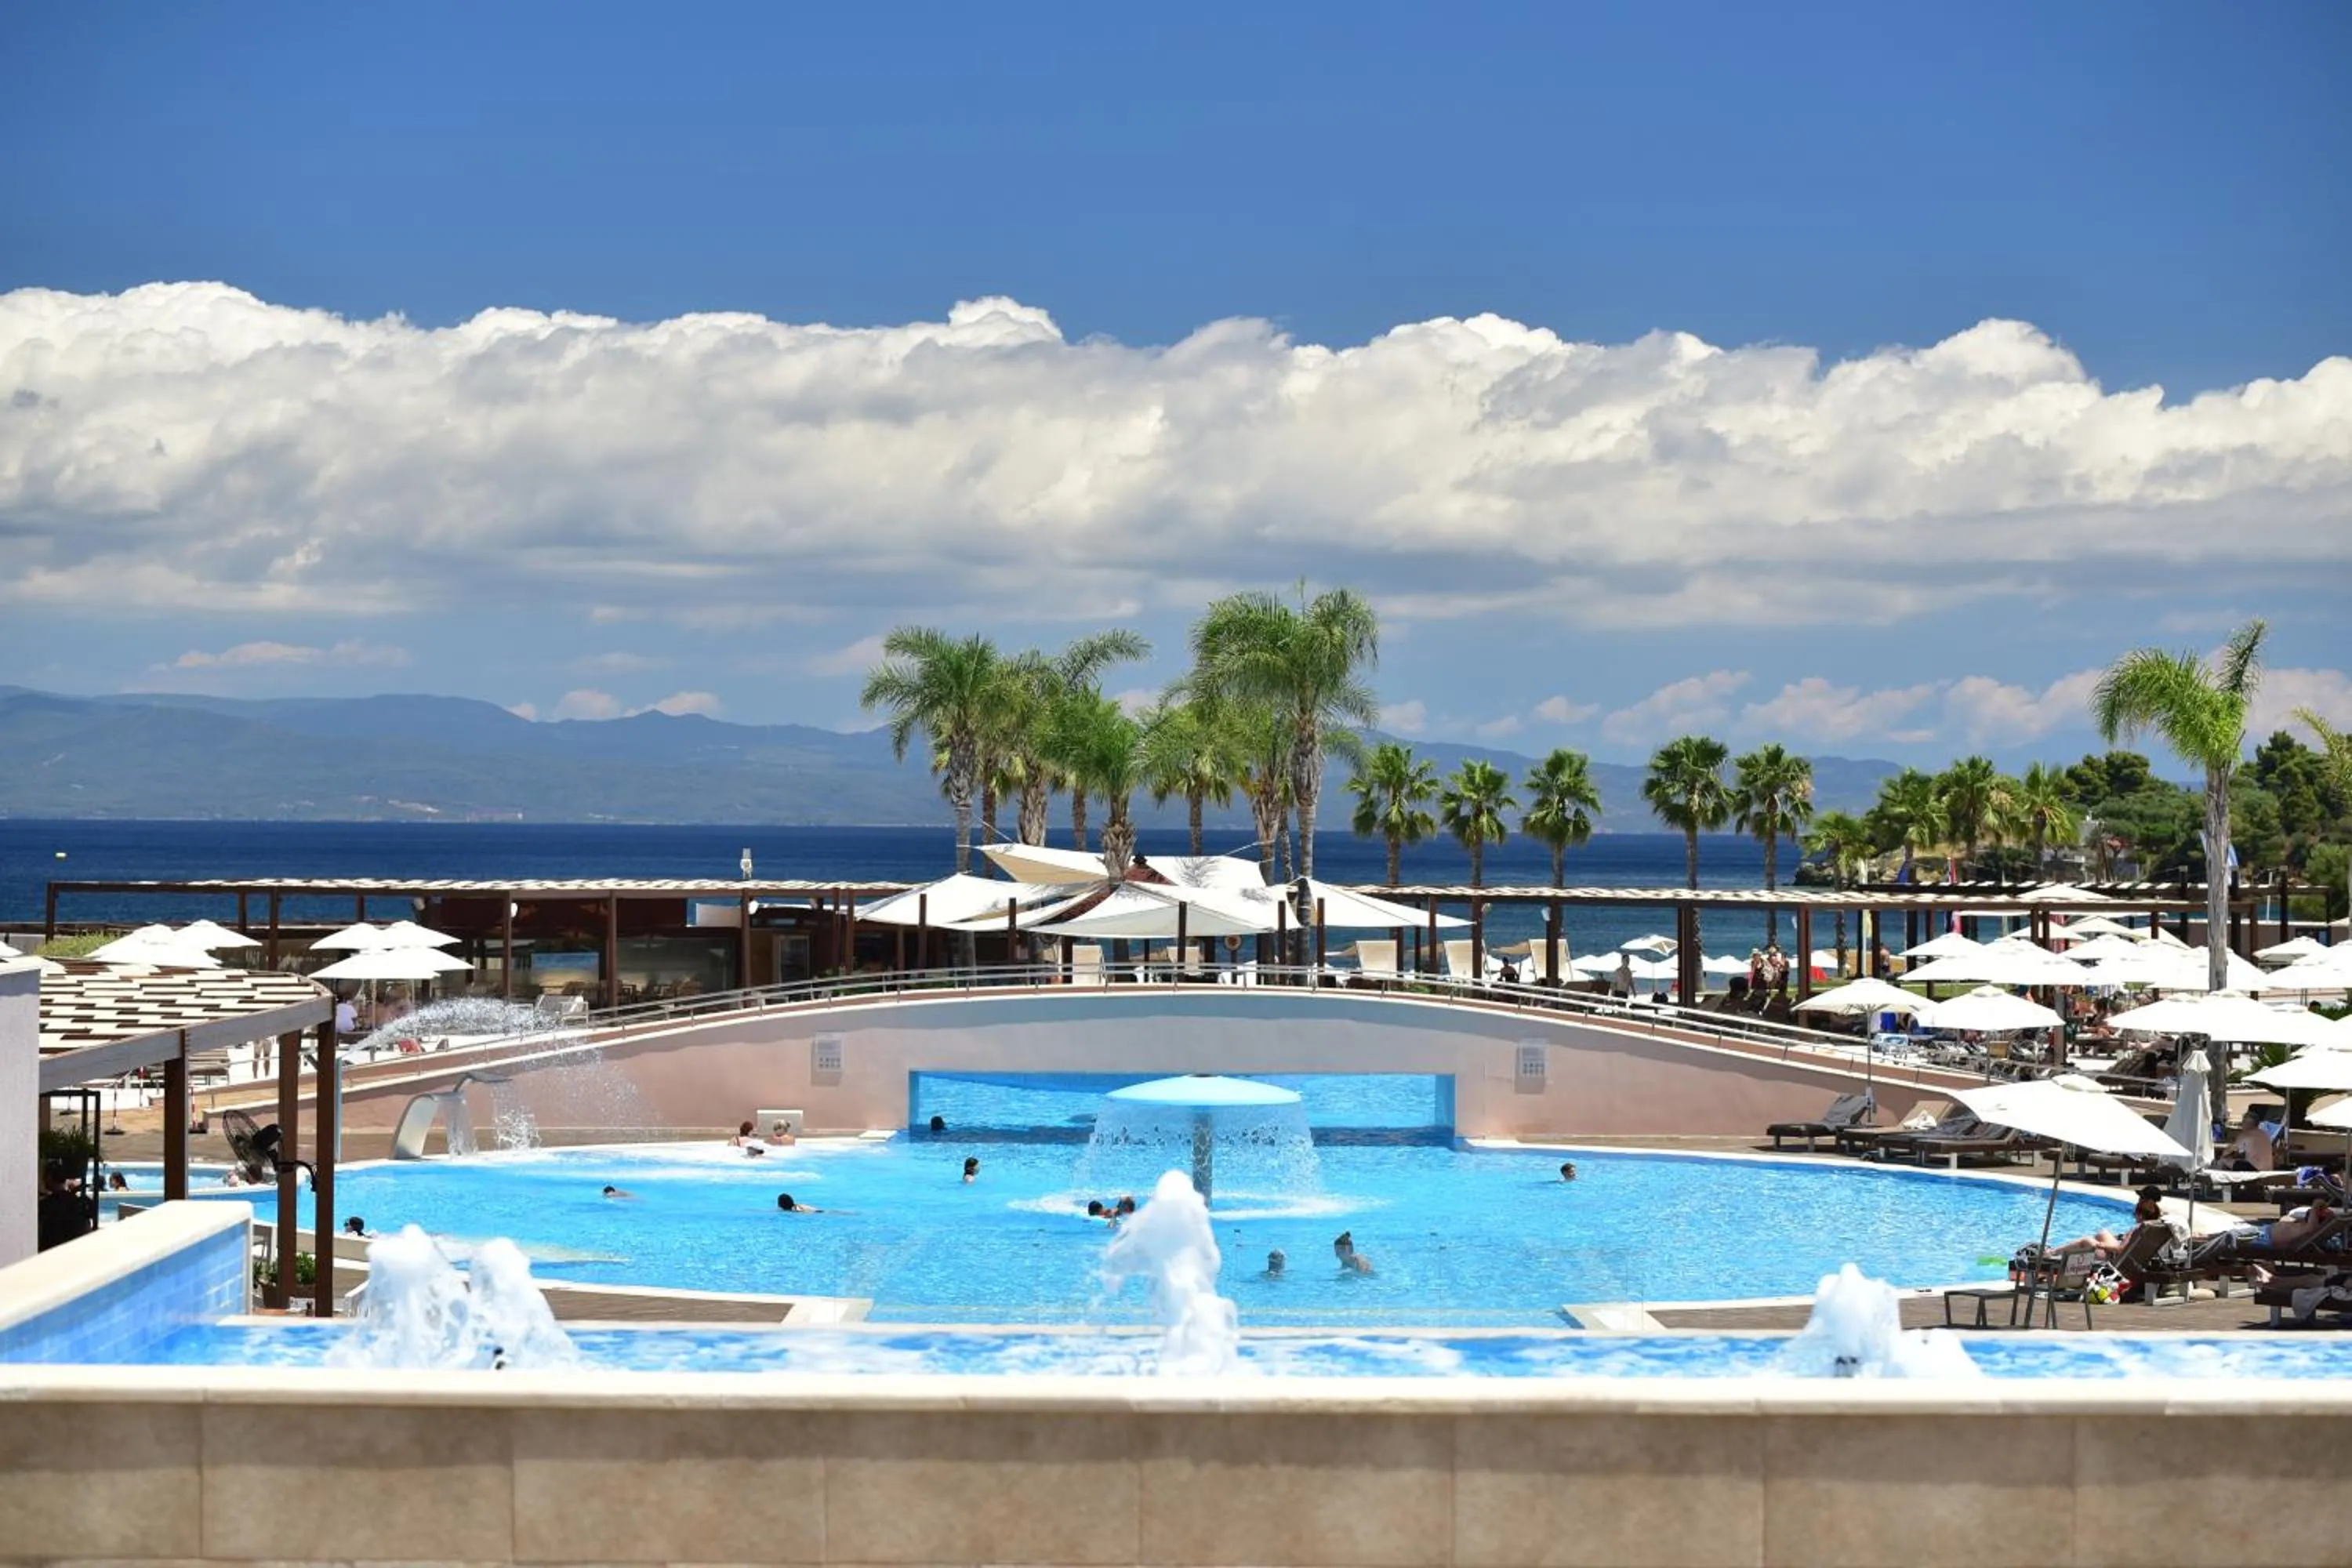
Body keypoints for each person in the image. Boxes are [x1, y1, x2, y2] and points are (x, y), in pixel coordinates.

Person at [2223, 1109, 2275, 1173]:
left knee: (2225, 1160)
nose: (2242, 1125)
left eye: (2243, 1122)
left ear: (2246, 1123)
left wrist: (2224, 1154)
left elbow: (2230, 1150)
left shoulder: (2245, 1135)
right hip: (2268, 1168)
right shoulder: (2265, 1134)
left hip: (2255, 1168)